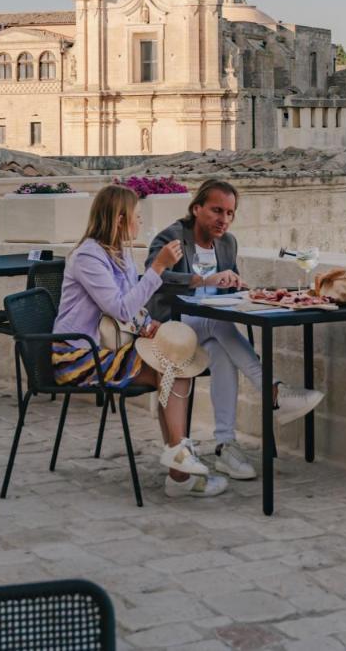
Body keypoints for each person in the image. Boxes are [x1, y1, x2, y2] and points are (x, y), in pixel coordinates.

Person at [53, 184, 227, 498]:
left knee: (176, 364)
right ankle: (178, 467)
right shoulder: (87, 257)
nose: (140, 222)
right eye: (136, 216)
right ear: (120, 219)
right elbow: (119, 308)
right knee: (170, 366)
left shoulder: (120, 254)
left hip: (108, 349)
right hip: (79, 355)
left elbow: (130, 308)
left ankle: (178, 462)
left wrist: (148, 324)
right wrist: (158, 267)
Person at [146, 179, 324, 480]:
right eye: (217, 211)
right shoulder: (173, 236)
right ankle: (273, 390)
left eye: (230, 213)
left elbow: (231, 282)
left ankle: (225, 445)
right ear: (197, 208)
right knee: (218, 321)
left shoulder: (228, 243)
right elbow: (155, 276)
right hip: (173, 329)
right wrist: (204, 281)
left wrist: (236, 284)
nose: (223, 220)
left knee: (221, 350)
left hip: (210, 331)